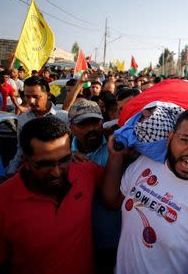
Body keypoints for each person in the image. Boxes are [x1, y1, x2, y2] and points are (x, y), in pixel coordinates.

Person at [102, 109, 188, 274]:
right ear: (170, 138)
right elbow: (113, 201)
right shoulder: (146, 162)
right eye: (186, 139)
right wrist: (115, 157)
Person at [0, 116, 104, 273]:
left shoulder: (85, 172)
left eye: (64, 160)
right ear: (25, 160)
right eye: (44, 164)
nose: (56, 172)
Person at [68, 100, 121, 273]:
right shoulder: (61, 152)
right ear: (71, 127)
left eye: (95, 122)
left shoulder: (119, 147)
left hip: (112, 239)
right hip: (75, 242)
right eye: (83, 123)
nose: (91, 128)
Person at [6, 77, 68, 175]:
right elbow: (21, 149)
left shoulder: (64, 117)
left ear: (48, 95)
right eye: (27, 96)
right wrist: (11, 171)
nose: (31, 101)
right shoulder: (22, 119)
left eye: (36, 96)